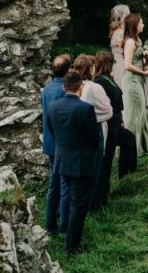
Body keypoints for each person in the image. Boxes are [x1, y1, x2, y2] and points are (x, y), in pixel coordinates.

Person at [45, 71, 103, 254]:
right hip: (81, 161)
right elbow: (94, 138)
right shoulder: (85, 108)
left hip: (61, 159)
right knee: (78, 203)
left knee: (66, 194)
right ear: (81, 87)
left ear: (64, 87)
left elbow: (52, 132)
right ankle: (72, 245)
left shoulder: (52, 107)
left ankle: (65, 229)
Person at [92, 51, 137, 209]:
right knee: (107, 160)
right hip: (110, 126)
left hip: (117, 122)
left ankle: (126, 177)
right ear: (107, 64)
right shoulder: (100, 82)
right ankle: (102, 196)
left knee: (129, 140)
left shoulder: (107, 79)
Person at [41, 54, 71, 230]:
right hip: (61, 142)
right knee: (62, 183)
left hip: (49, 141)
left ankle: (51, 220)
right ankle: (59, 224)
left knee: (54, 182)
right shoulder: (63, 91)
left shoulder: (46, 89)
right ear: (68, 70)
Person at [121, 12, 148, 155]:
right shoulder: (130, 42)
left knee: (143, 113)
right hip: (132, 80)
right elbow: (127, 65)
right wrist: (143, 72)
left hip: (139, 79)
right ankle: (129, 150)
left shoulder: (138, 40)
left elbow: (137, 61)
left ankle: (141, 148)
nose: (143, 24)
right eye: (141, 22)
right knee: (133, 115)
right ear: (134, 25)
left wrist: (147, 64)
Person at [70, 55, 113, 145]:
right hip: (95, 128)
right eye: (93, 66)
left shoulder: (70, 85)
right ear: (90, 69)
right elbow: (108, 111)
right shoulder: (94, 87)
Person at [109, 4, 130, 87]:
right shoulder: (120, 33)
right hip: (121, 66)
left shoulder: (121, 31)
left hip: (120, 64)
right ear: (124, 16)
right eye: (128, 14)